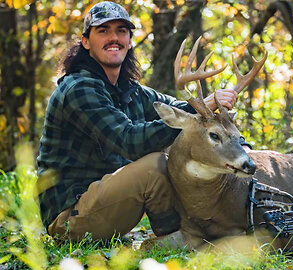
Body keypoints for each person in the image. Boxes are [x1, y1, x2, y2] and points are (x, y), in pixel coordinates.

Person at [37, 1, 247, 240]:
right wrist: (202, 108)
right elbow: (130, 140)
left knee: (180, 146)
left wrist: (214, 113)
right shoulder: (79, 88)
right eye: (103, 31)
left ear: (129, 41)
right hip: (70, 216)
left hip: (103, 202)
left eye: (121, 31)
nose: (113, 37)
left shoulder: (129, 89)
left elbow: (177, 110)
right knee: (155, 166)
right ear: (85, 42)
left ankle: (207, 226)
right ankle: (180, 236)